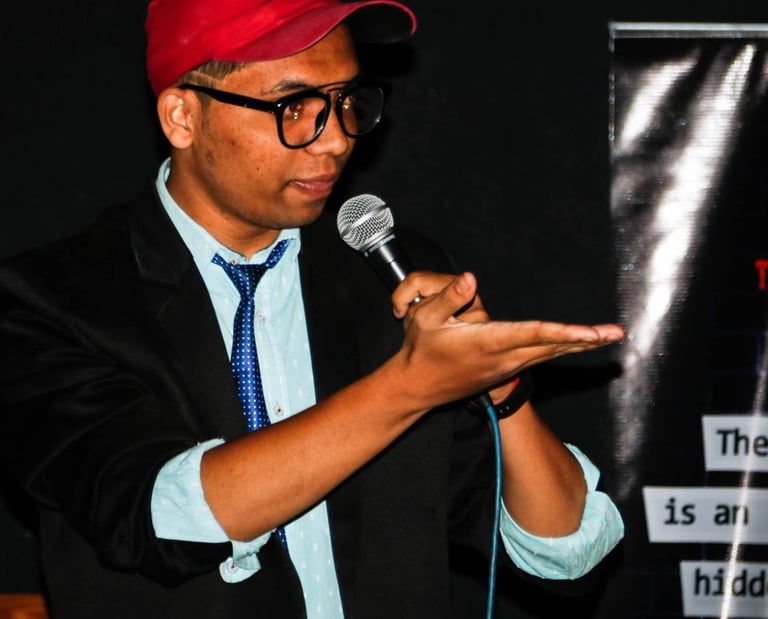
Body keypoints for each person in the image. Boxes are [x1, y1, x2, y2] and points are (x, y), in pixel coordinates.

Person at [0, 0, 625, 617]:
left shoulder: (386, 274)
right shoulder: (52, 301)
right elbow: (166, 514)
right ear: (182, 117)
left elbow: (565, 554)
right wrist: (409, 387)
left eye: (347, 102)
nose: (333, 142)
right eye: (293, 107)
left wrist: (500, 387)